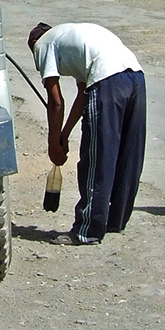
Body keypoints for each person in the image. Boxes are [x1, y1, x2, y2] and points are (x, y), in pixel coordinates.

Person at [28, 22, 147, 245]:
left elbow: (55, 102)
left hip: (107, 80)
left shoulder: (42, 45)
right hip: (136, 77)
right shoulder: (70, 36)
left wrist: (53, 144)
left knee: (98, 157)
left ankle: (87, 229)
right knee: (127, 154)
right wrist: (65, 132)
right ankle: (114, 219)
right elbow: (83, 93)